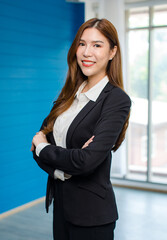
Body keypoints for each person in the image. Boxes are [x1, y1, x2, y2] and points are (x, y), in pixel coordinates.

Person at [31, 18, 131, 240]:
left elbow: (86, 161)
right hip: (62, 206)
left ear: (112, 52)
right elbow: (38, 143)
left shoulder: (116, 100)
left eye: (97, 45)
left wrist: (44, 148)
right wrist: (62, 169)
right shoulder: (69, 94)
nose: (87, 52)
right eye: (82, 44)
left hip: (93, 216)